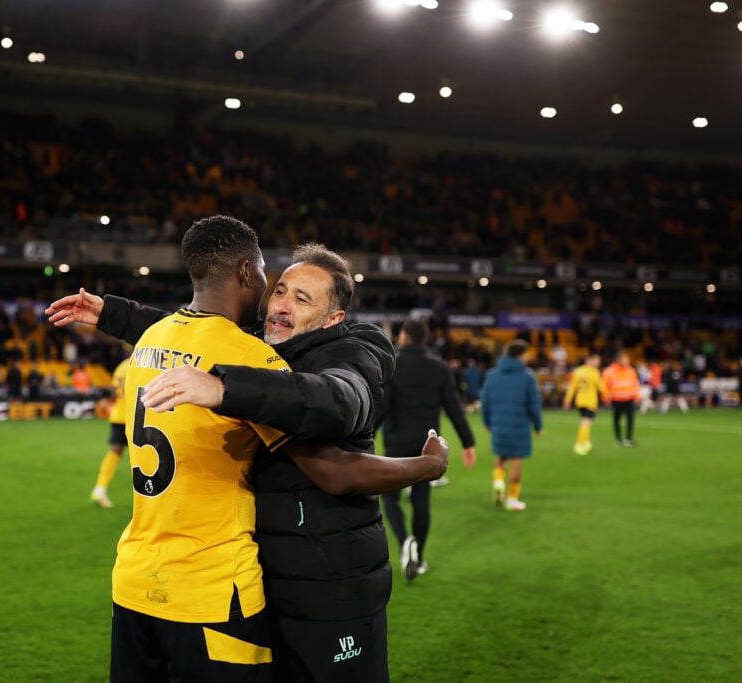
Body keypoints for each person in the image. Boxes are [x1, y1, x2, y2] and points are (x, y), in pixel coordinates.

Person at [49, 218, 447, 683]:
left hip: (329, 588)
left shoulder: (356, 346)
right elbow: (198, 333)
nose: (280, 304)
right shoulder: (250, 347)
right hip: (245, 584)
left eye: (302, 299)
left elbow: (338, 406)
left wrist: (225, 388)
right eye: (280, 290)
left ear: (333, 318)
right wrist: (115, 314)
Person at [378, 318, 476, 580]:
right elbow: (454, 408)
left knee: (390, 498)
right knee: (422, 500)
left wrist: (363, 435)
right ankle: (419, 557)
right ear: (425, 339)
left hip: (397, 441)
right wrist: (467, 443)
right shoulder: (439, 367)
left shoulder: (393, 364)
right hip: (427, 444)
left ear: (404, 337)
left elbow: (382, 406)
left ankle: (404, 542)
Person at [480, 340, 542, 511]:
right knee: (516, 461)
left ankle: (498, 483)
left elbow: (485, 401)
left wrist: (487, 422)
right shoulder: (527, 377)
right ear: (520, 355)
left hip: (499, 425)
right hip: (519, 426)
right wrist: (538, 425)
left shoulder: (492, 375)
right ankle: (512, 499)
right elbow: (533, 405)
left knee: (501, 458)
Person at [89, 352, 131, 508]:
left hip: (118, 414)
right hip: (133, 416)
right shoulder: (141, 364)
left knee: (115, 452)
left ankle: (100, 488)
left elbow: (114, 391)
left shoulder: (121, 367)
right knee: (144, 456)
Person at [561, 353, 608, 455]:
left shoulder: (578, 371)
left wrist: (567, 399)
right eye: (596, 361)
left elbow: (572, 386)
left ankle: (586, 442)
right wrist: (607, 395)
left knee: (587, 421)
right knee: (586, 422)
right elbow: (600, 385)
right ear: (589, 360)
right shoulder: (594, 372)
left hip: (580, 400)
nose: (598, 363)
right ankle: (579, 444)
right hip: (590, 400)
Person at [601, 350, 642, 447]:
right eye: (624, 358)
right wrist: (605, 398)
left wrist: (637, 396)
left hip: (629, 399)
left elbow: (635, 384)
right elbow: (604, 385)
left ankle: (628, 439)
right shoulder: (609, 371)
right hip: (616, 399)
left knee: (630, 419)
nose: (626, 360)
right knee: (617, 420)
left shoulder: (631, 371)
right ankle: (618, 439)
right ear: (618, 359)